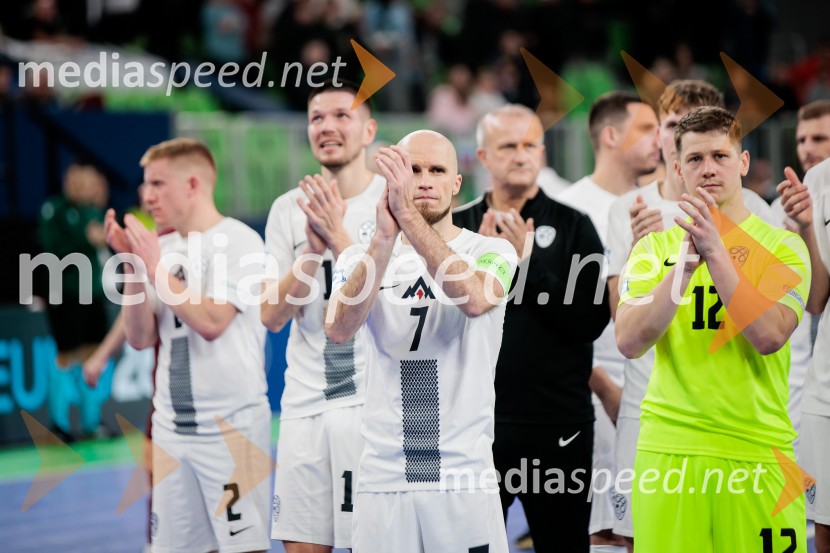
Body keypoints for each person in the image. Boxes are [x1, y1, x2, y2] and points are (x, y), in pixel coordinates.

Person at [617, 106, 810, 552]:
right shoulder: (651, 250)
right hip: (669, 453)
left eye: (721, 157)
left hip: (758, 452)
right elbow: (628, 340)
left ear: (742, 163)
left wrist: (715, 252)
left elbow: (769, 336)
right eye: (696, 160)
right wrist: (685, 265)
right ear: (678, 169)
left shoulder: (784, 246)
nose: (709, 169)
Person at [324, 130, 516, 552]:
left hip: (462, 477)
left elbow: (476, 298)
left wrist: (407, 217)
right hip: (382, 478)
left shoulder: (494, 250)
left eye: (437, 170)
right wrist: (384, 238)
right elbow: (338, 329)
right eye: (413, 170)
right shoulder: (361, 255)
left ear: (456, 183)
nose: (425, 180)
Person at [453, 104, 610, 552]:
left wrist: (524, 262)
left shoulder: (576, 226)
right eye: (508, 146)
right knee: (473, 546)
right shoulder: (458, 228)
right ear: (483, 156)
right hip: (475, 428)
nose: (520, 155)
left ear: (542, 152)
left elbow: (590, 322)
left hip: (558, 425)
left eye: (529, 145)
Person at [104, 138, 271, 553]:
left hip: (231, 428)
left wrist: (156, 267)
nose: (147, 195)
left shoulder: (240, 241)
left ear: (193, 183)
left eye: (158, 183)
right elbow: (141, 339)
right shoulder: (161, 248)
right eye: (146, 184)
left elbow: (213, 321)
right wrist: (134, 267)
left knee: (241, 548)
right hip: (172, 431)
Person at [261, 80, 384, 552]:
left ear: (368, 129)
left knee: (368, 543)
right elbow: (271, 315)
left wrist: (338, 237)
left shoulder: (393, 203)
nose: (327, 126)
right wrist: (310, 255)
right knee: (301, 545)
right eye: (316, 118)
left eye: (341, 115)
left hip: (368, 404)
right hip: (304, 405)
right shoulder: (286, 210)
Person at [556, 91, 660, 551]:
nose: (660, 139)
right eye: (647, 129)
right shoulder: (567, 209)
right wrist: (602, 385)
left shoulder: (666, 203)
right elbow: (553, 322)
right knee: (606, 530)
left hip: (662, 393)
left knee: (653, 529)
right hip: (596, 395)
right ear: (612, 135)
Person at [778, 159, 830, 553]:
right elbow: (815, 301)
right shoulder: (820, 178)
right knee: (825, 530)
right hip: (825, 393)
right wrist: (808, 227)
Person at [39, 163, 113, 441]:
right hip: (65, 294)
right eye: (77, 180)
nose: (83, 186)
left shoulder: (93, 211)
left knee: (93, 353)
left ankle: (92, 423)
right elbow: (52, 250)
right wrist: (86, 240)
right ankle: (59, 425)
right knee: (67, 355)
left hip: (92, 293)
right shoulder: (54, 210)